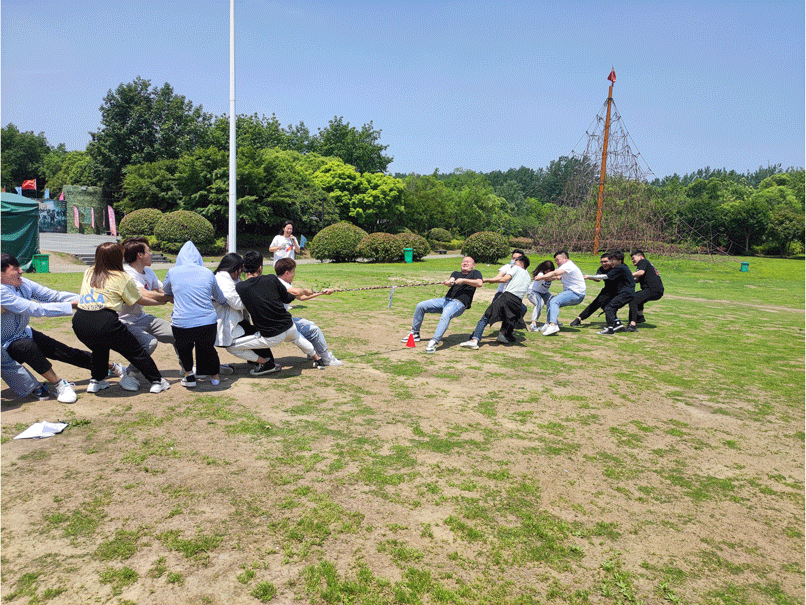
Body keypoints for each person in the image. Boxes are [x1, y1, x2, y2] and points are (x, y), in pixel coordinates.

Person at [1, 253, 133, 403]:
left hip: (22, 332)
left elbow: (53, 296)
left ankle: (109, 366)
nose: (21, 271)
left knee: (64, 352)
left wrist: (89, 300)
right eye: (15, 269)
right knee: (26, 347)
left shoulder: (23, 283)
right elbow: (35, 309)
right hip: (5, 344)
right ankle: (59, 384)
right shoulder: (1, 291)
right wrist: (74, 305)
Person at [72, 243, 170, 394]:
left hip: (80, 321)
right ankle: (157, 380)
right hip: (105, 320)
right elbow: (138, 299)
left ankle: (96, 380)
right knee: (135, 350)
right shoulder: (122, 277)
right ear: (117, 257)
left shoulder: (89, 271)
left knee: (99, 348)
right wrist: (162, 301)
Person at [229, 250, 324, 372]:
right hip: (289, 325)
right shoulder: (271, 278)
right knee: (298, 338)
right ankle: (318, 359)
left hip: (271, 335)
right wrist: (302, 292)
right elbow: (287, 298)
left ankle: (265, 363)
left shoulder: (240, 287)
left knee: (231, 347)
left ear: (244, 268)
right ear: (260, 268)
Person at [162, 241, 228, 388]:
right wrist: (225, 303)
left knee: (184, 349)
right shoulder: (207, 272)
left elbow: (166, 291)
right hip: (207, 322)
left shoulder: (172, 272)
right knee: (208, 349)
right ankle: (215, 377)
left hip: (181, 323)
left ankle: (189, 375)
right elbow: (219, 296)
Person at [119, 237, 180, 375]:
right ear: (139, 255)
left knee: (179, 334)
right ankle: (130, 374)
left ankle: (187, 370)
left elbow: (163, 291)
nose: (151, 254)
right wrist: (166, 299)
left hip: (142, 318)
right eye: (148, 251)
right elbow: (143, 294)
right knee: (150, 343)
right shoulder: (127, 273)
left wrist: (179, 295)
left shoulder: (149, 272)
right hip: (125, 322)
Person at [401, 256, 483, 353]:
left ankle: (434, 341)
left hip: (459, 303)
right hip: (445, 300)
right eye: (463, 261)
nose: (465, 263)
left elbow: (479, 283)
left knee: (446, 314)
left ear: (473, 265)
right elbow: (451, 280)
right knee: (421, 306)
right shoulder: (456, 273)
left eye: (468, 262)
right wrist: (449, 282)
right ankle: (415, 333)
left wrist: (464, 281)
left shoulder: (475, 273)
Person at [212, 253, 276, 372]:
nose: (241, 273)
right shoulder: (223, 281)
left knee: (254, 332)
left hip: (234, 319)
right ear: (234, 268)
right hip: (225, 322)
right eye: (240, 270)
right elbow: (237, 303)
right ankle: (264, 362)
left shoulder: (229, 278)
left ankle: (264, 361)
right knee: (248, 339)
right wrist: (253, 298)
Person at [274, 258, 343, 366]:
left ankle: (313, 354)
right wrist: (307, 291)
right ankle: (326, 359)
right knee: (314, 330)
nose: (294, 274)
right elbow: (299, 294)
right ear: (286, 273)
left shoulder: (274, 281)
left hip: (277, 320)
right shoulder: (285, 286)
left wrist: (321, 293)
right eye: (293, 271)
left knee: (308, 323)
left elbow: (301, 298)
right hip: (281, 324)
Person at [460, 255, 531, 348]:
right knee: (508, 318)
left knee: (486, 317)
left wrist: (485, 280)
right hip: (517, 302)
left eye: (515, 262)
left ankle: (474, 340)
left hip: (507, 297)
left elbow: (503, 279)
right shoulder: (528, 277)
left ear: (522, 265)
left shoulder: (516, 269)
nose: (513, 264)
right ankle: (502, 335)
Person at [536, 250, 586, 336]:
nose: (556, 262)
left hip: (576, 293)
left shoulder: (568, 265)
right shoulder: (564, 266)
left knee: (554, 301)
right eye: (555, 260)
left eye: (557, 260)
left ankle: (553, 325)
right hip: (572, 292)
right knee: (550, 301)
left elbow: (555, 272)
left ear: (565, 258)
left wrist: (541, 277)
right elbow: (558, 275)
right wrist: (554, 277)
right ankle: (549, 323)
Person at [593, 251, 635, 335]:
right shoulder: (622, 267)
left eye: (612, 260)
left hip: (626, 293)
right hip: (625, 293)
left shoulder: (620, 268)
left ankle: (610, 329)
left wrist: (589, 277)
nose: (611, 262)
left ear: (619, 260)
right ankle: (616, 323)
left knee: (609, 308)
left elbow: (606, 276)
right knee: (606, 305)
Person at [569, 254, 614, 327]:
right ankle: (579, 318)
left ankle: (628, 323)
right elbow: (598, 279)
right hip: (608, 290)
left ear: (611, 261)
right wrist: (589, 277)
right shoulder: (601, 269)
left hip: (620, 291)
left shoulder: (616, 268)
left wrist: (589, 277)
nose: (603, 264)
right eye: (602, 262)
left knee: (608, 306)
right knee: (596, 303)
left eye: (606, 261)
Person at [627, 250, 664, 331]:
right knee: (638, 296)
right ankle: (640, 317)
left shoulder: (643, 261)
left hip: (652, 289)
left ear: (640, 257)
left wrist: (627, 275)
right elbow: (636, 279)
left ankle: (632, 325)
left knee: (633, 299)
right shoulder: (645, 264)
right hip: (657, 290)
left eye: (633, 258)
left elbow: (641, 272)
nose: (632, 260)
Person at [526, 260, 556, 332]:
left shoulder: (552, 274)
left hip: (544, 293)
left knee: (554, 301)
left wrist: (556, 276)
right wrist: (549, 277)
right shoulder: (540, 274)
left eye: (550, 270)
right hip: (533, 292)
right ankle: (533, 323)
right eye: (546, 270)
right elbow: (542, 277)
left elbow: (558, 275)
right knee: (540, 303)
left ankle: (552, 322)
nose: (548, 272)